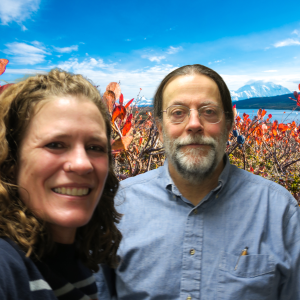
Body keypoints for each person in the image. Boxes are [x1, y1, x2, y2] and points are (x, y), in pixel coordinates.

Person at [96, 64, 300, 300]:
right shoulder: (118, 205)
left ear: (229, 125)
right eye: (178, 112)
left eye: (209, 111)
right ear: (160, 129)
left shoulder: (278, 211)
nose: (194, 124)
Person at [0, 69, 122, 300]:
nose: (81, 164)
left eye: (95, 147)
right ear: (10, 161)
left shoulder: (79, 263)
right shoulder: (6, 267)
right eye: (55, 144)